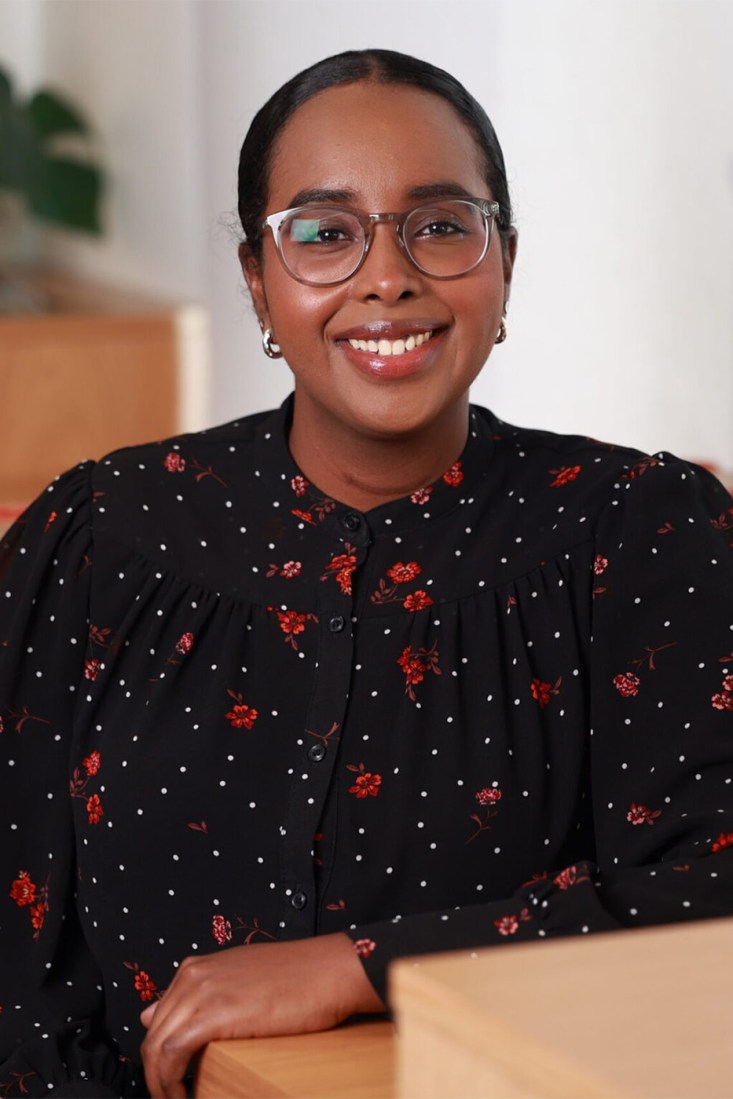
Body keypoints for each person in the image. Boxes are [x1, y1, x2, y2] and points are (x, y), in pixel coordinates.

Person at [2, 47, 733, 1099]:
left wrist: (362, 963)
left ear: (504, 261)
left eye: (439, 225)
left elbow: (710, 886)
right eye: (324, 234)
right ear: (258, 279)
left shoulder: (637, 531)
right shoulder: (102, 536)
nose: (387, 276)